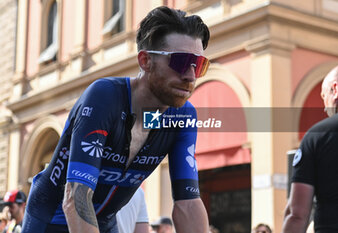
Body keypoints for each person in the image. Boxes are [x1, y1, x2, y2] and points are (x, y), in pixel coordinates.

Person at [21, 5, 210, 233]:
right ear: (145, 61)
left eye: (198, 65)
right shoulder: (104, 97)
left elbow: (188, 204)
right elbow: (76, 196)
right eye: (180, 61)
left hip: (104, 221)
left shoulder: (182, 117)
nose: (190, 76)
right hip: (51, 217)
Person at [282, 64, 338, 232]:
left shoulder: (318, 135)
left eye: (323, 96)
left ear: (336, 90)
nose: (325, 107)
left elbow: (297, 214)